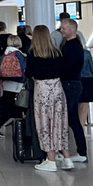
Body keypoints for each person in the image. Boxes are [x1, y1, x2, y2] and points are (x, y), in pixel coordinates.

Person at [27, 25, 74, 172]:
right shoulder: (57, 52)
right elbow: (64, 71)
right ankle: (67, 158)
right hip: (57, 88)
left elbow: (29, 73)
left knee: (44, 124)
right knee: (60, 123)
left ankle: (51, 159)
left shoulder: (33, 53)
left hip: (42, 89)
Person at [58, 18, 88, 162]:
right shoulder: (70, 44)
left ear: (72, 29)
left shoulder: (73, 46)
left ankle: (81, 152)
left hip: (70, 84)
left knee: (72, 118)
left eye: (64, 28)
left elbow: (67, 66)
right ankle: (78, 151)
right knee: (71, 118)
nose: (61, 30)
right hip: (71, 83)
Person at [0, 35, 27, 136]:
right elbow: (24, 68)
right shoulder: (19, 54)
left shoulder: (5, 54)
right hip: (17, 82)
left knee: (10, 104)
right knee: (17, 105)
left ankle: (0, 122)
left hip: (6, 82)